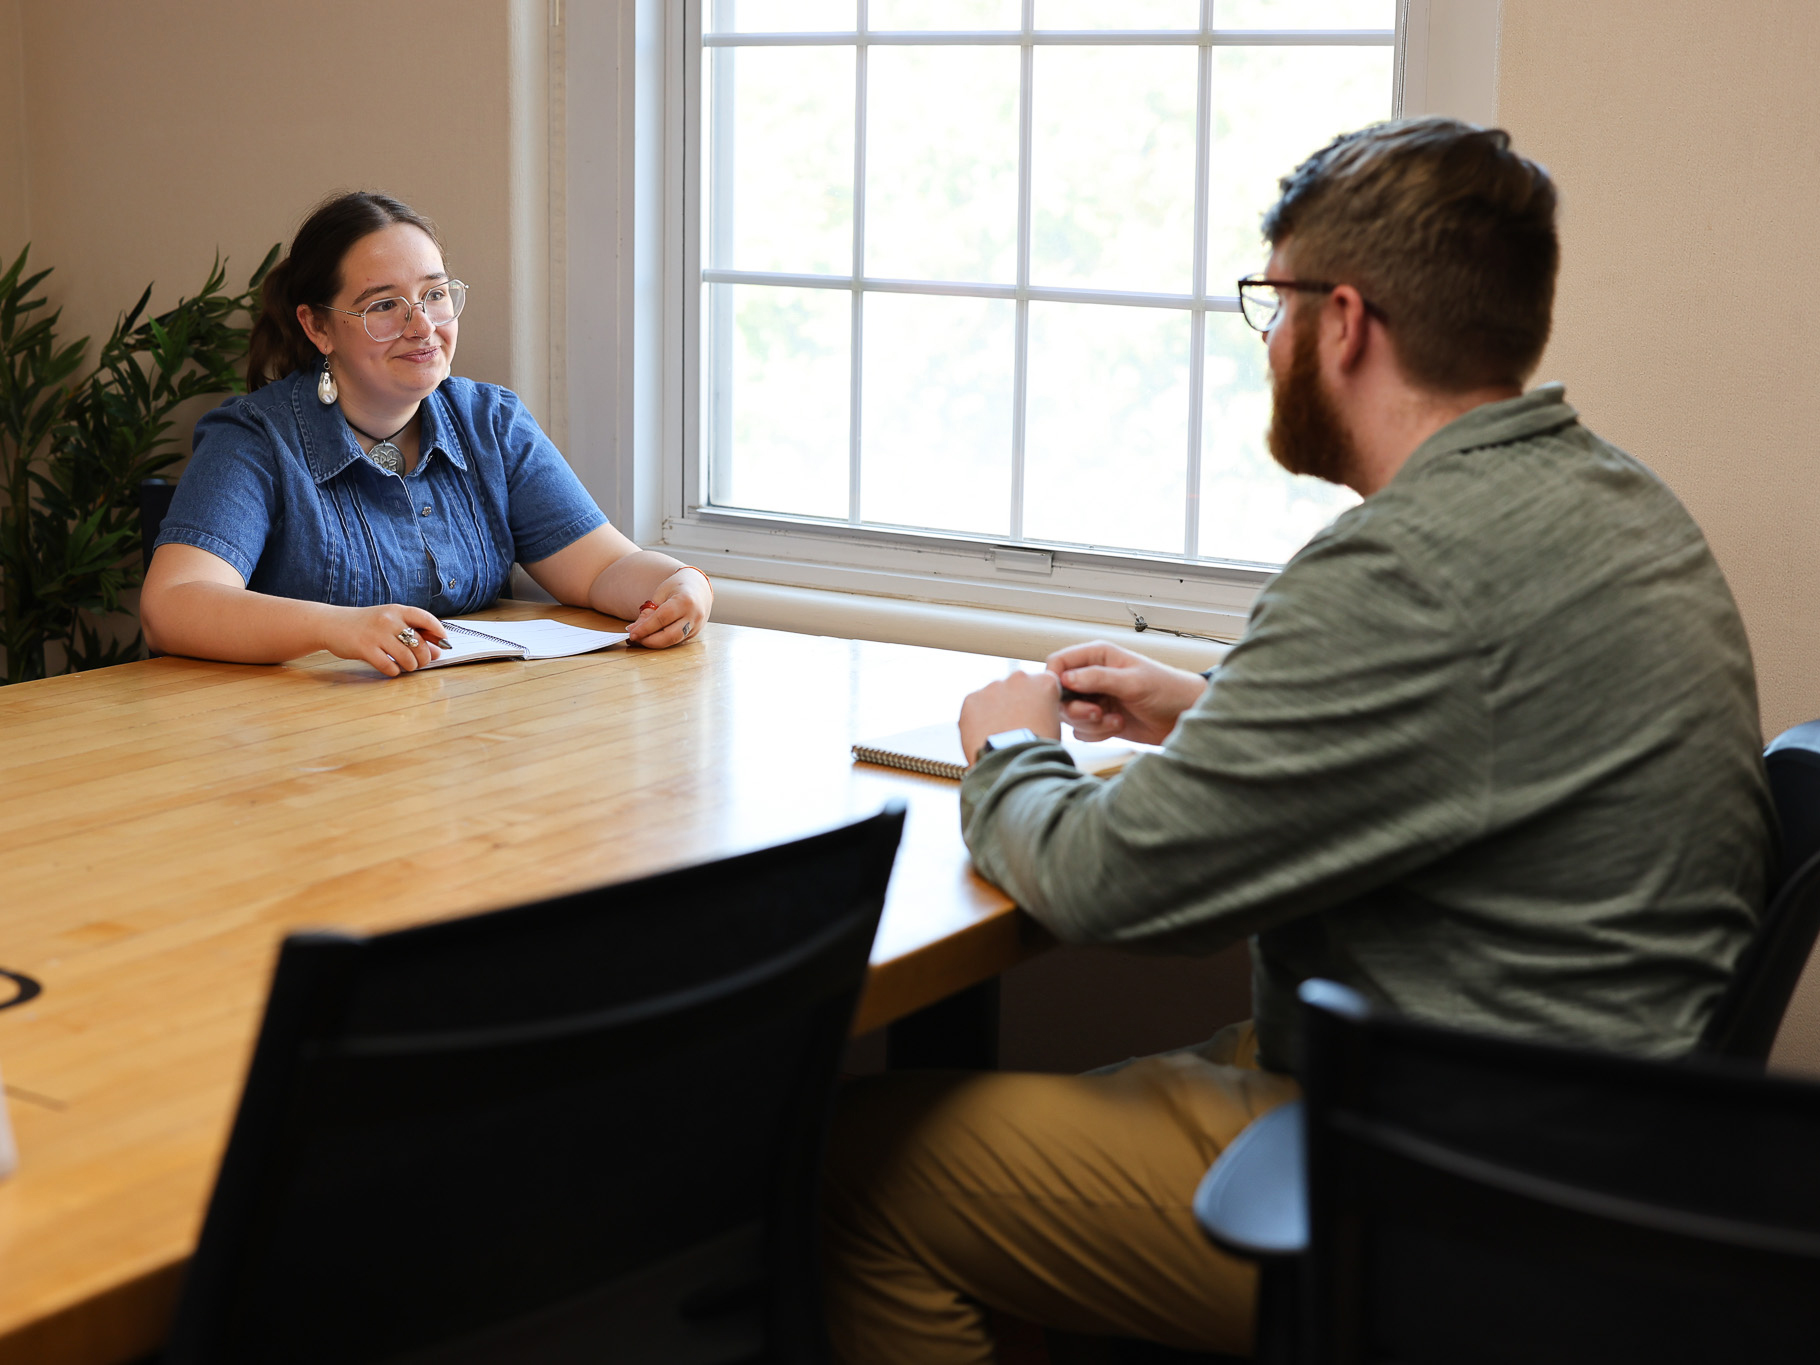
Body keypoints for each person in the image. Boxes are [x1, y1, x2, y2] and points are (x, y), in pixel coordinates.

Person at [820, 118, 1774, 1362]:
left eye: (1266, 309)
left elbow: (1113, 889)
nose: (1264, 346)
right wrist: (1209, 708)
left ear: (1342, 322)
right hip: (1593, 1128)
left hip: (1453, 1177)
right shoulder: (1608, 499)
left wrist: (1008, 748)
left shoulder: (1400, 568)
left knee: (857, 1166)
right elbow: (1465, 739)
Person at [141, 192, 710, 674]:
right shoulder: (254, 440)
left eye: (435, 294)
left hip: (458, 737)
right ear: (317, 327)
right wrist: (336, 627)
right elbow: (172, 606)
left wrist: (682, 584)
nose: (423, 327)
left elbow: (603, 568)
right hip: (298, 751)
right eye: (383, 306)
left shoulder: (490, 420)